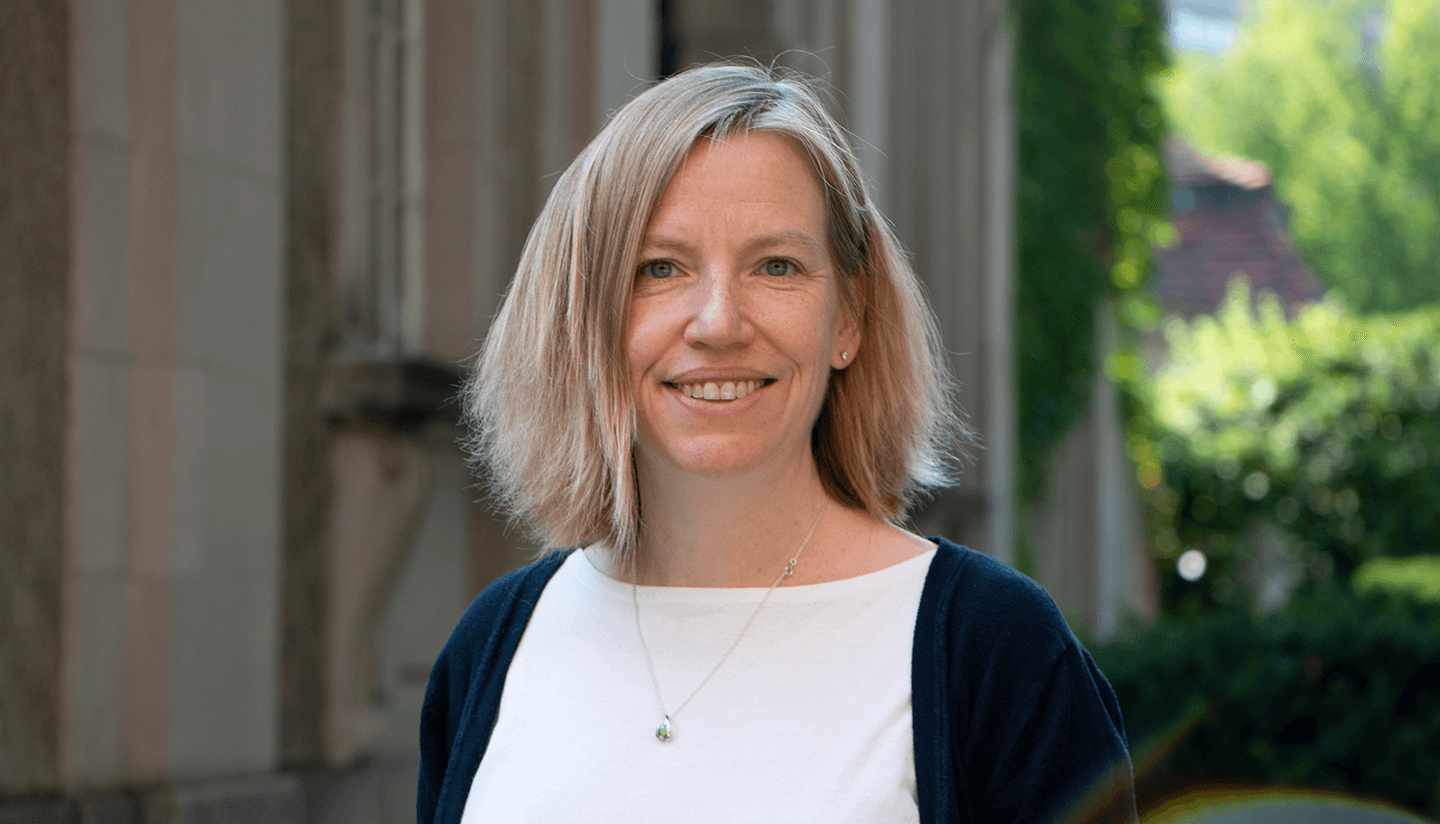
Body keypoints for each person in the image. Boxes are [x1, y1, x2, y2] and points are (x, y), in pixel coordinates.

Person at [418, 62, 1136, 824]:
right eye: (659, 269)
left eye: (777, 266)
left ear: (850, 319)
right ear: (588, 317)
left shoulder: (996, 653)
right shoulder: (492, 647)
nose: (719, 322)